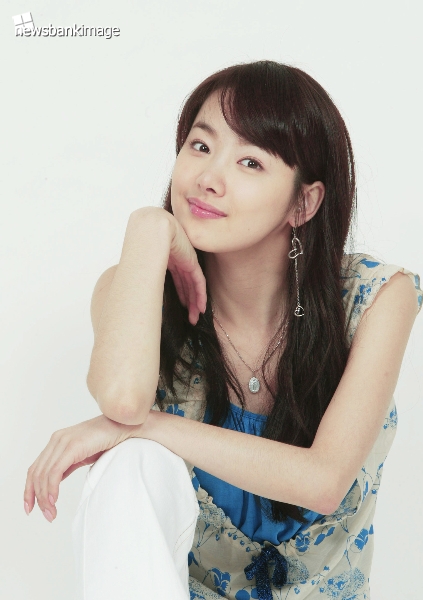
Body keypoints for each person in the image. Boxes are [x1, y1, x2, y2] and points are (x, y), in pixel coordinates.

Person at [24, 61, 422, 600]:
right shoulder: (135, 292)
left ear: (303, 203)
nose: (208, 178)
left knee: (133, 440)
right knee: (130, 461)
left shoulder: (372, 297)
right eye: (201, 146)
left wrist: (145, 427)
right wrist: (149, 226)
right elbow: (122, 400)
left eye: (250, 161)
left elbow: (323, 481)